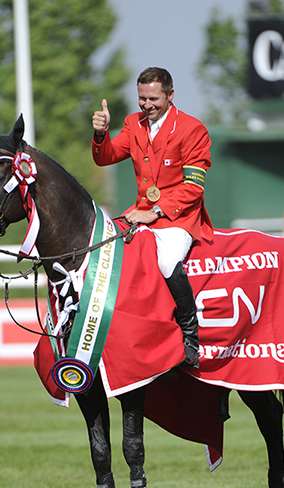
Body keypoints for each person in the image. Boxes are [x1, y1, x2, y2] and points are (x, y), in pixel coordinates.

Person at [91, 67, 212, 368]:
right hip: (140, 213)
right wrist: (101, 134)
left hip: (177, 217)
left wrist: (154, 212)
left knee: (167, 261)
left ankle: (190, 338)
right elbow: (106, 157)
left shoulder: (193, 129)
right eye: (142, 98)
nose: (147, 105)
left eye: (154, 99)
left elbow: (193, 188)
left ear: (170, 95)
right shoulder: (133, 124)